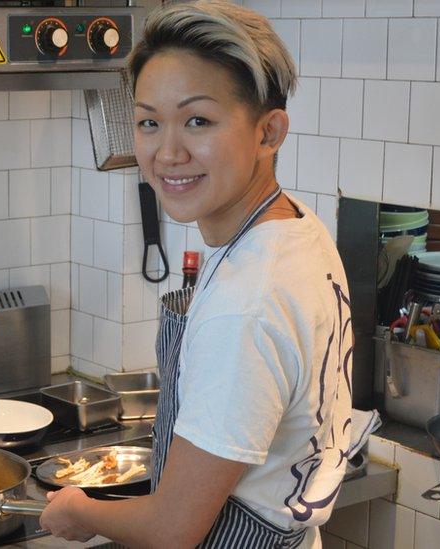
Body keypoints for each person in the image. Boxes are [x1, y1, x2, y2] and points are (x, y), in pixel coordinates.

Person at [39, 2, 353, 547]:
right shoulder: (296, 229)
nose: (168, 152)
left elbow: (172, 529)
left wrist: (80, 511)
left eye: (198, 120)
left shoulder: (246, 304)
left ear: (268, 132)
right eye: (149, 122)